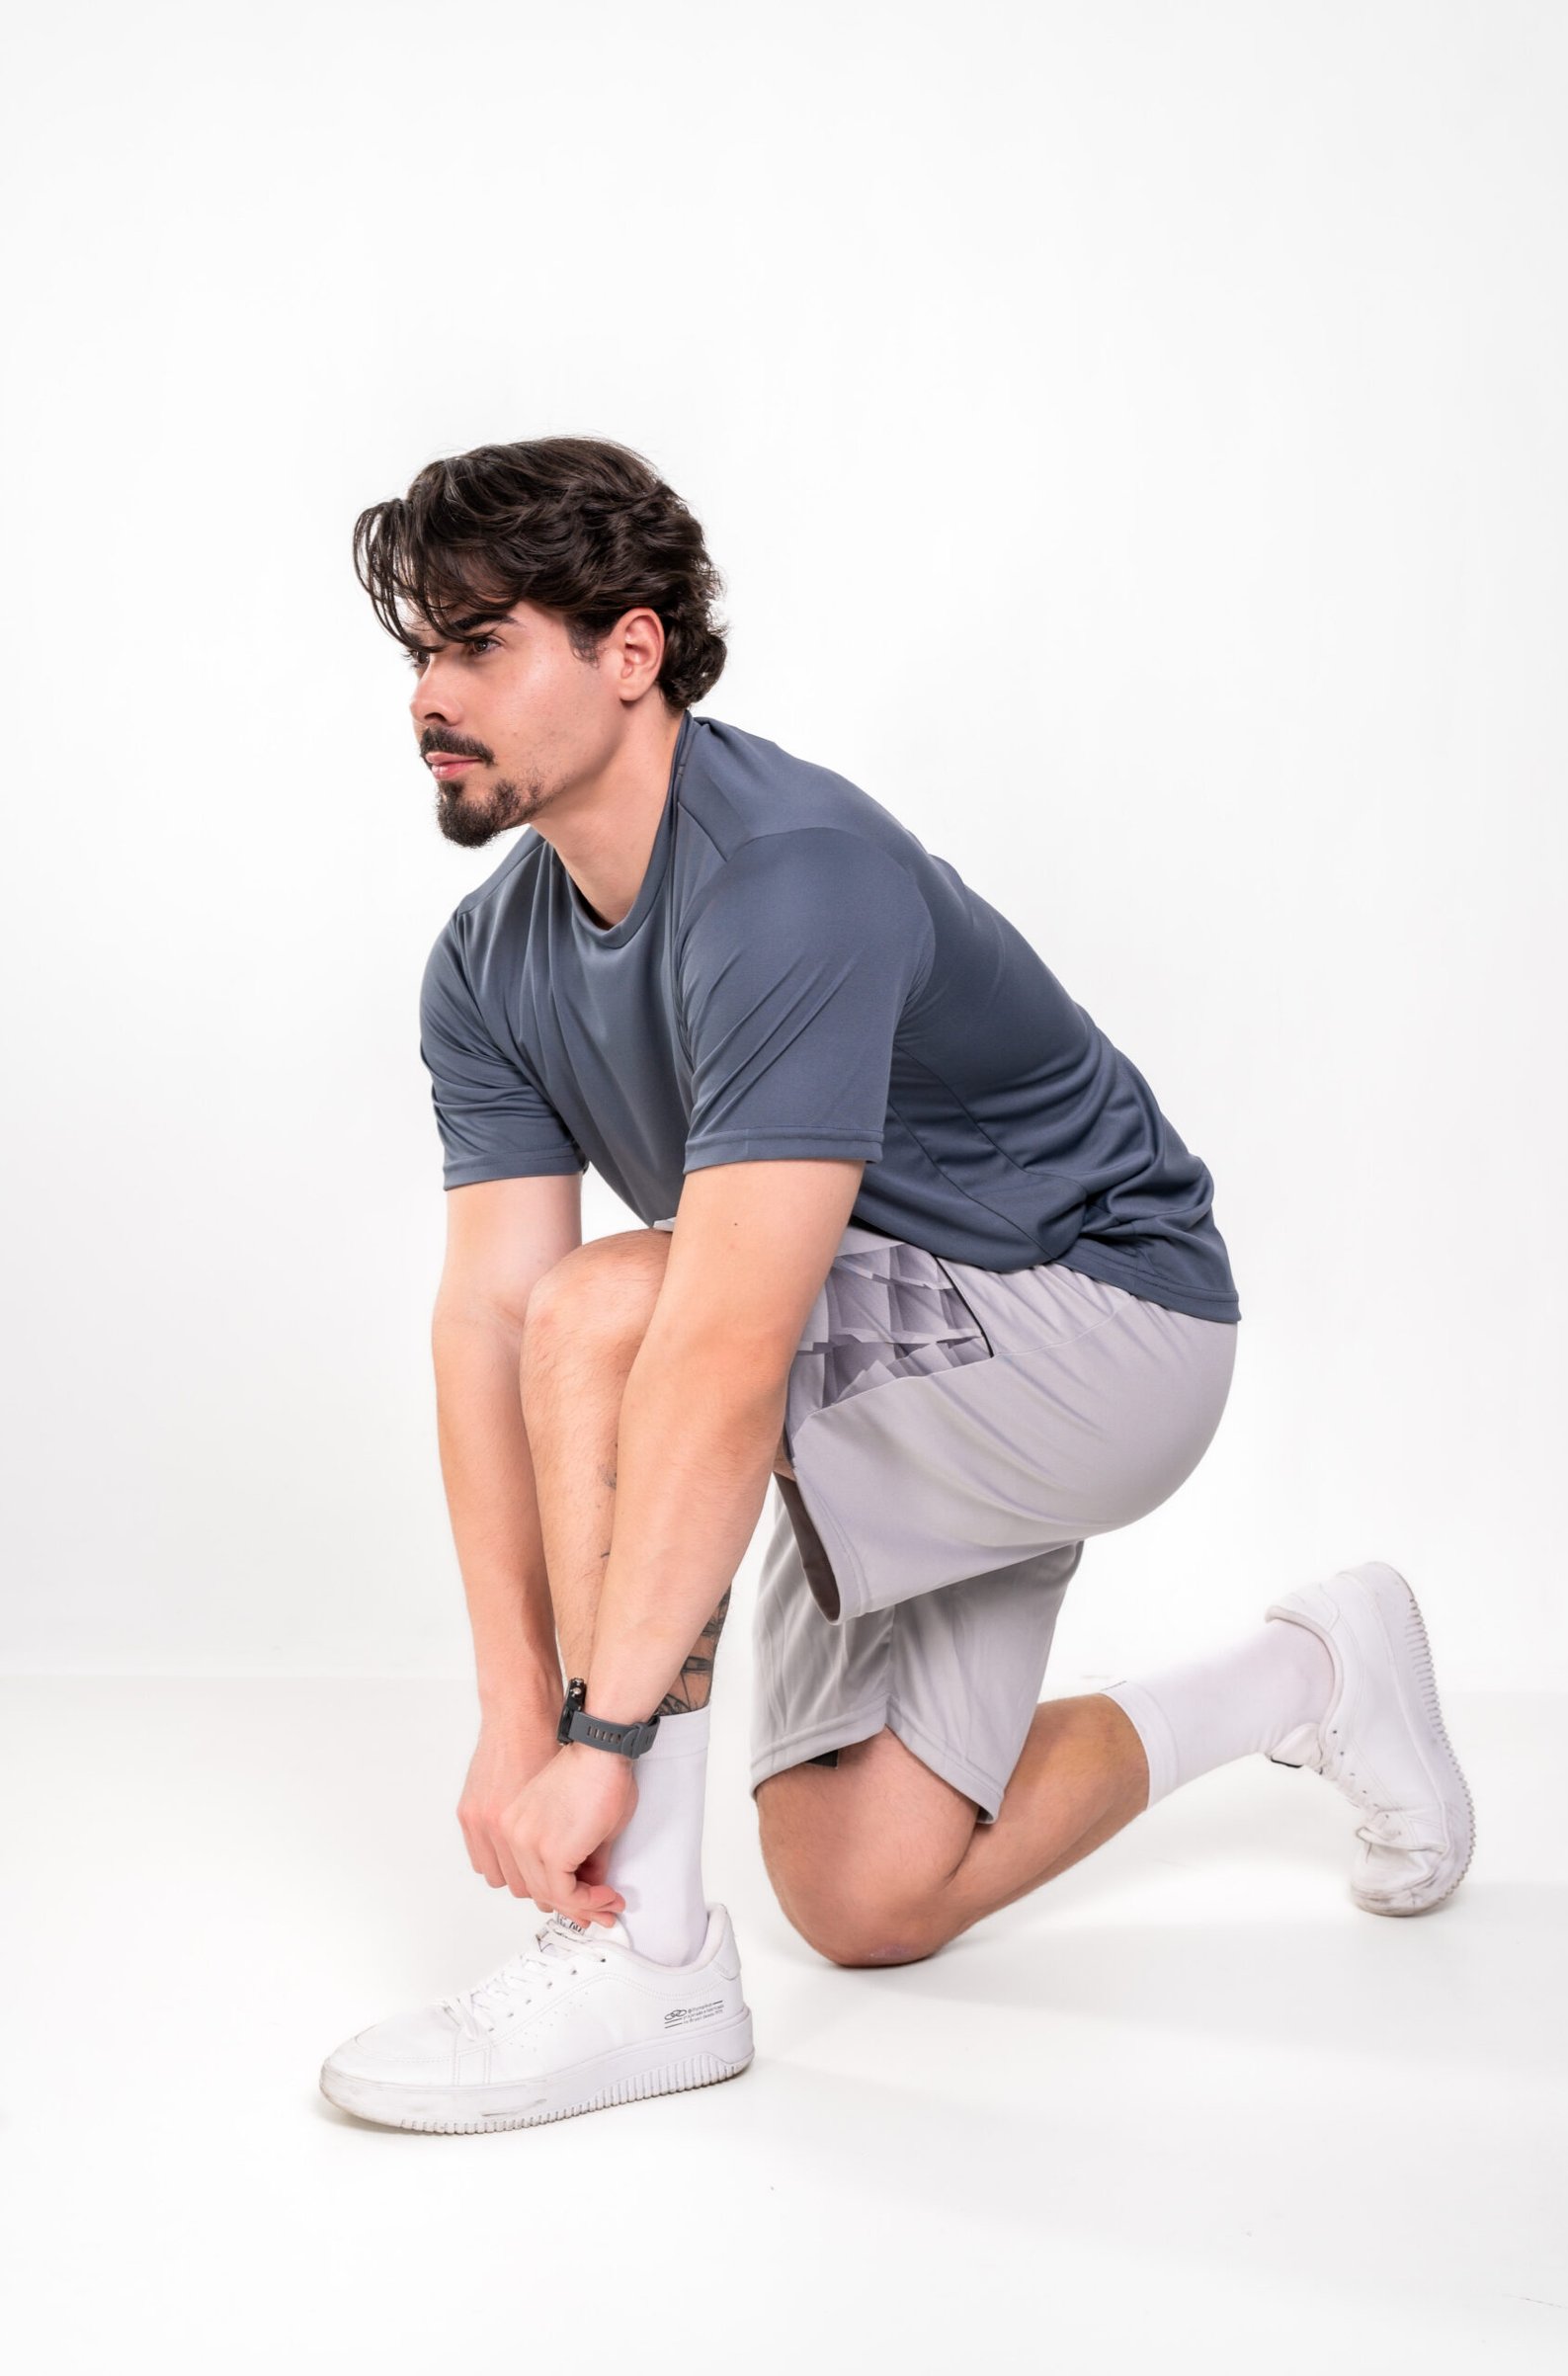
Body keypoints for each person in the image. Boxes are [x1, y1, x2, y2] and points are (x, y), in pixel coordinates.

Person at [318, 435, 1474, 2136]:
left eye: (481, 643)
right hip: (894, 1359)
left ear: (631, 651)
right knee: (866, 1889)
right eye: (422, 648)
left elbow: (708, 1347)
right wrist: (514, 1719)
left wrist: (600, 1744)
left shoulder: (788, 877)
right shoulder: (488, 967)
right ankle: (1313, 1670)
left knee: (620, 1313)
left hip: (1107, 1325)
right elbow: (488, 1321)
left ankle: (650, 1957)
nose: (431, 691)